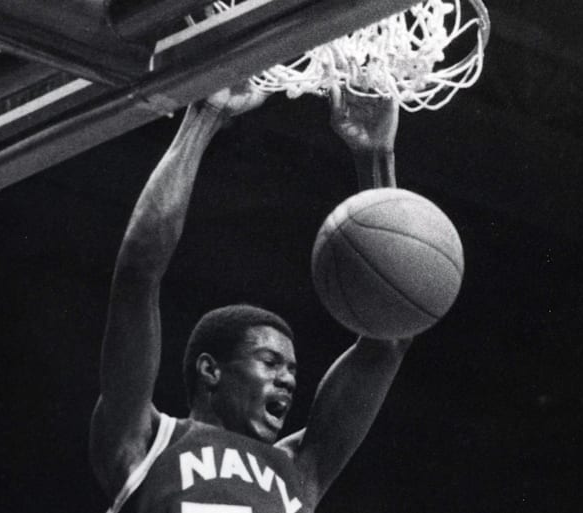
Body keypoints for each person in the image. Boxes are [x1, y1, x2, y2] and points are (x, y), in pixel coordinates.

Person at [89, 82, 411, 513]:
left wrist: (375, 156)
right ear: (210, 370)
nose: (289, 380)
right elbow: (137, 273)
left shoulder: (298, 468)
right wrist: (205, 115)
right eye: (271, 362)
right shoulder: (145, 439)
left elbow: (388, 336)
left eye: (292, 369)